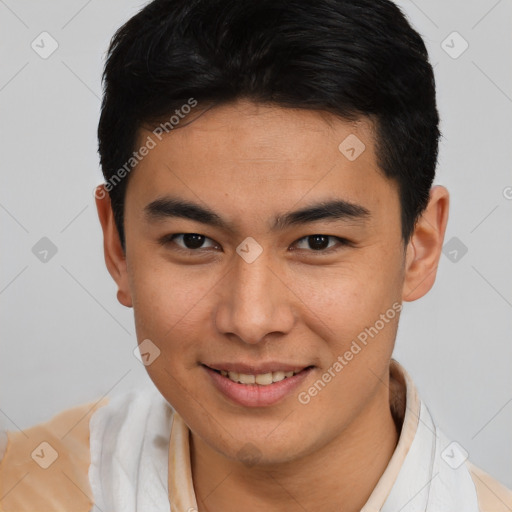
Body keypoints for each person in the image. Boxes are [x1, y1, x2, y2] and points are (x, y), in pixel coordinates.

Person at [1, 0, 510, 510]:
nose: (250, 319)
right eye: (193, 241)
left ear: (420, 249)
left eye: (317, 242)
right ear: (118, 246)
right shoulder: (25, 489)